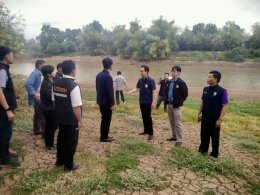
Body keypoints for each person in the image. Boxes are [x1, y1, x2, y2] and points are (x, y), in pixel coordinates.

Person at [53, 60, 83, 171]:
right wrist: (79, 121)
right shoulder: (73, 86)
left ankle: (59, 160)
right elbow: (76, 106)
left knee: (61, 139)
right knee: (71, 141)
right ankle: (69, 165)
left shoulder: (55, 83)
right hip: (71, 120)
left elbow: (54, 100)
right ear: (73, 71)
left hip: (60, 118)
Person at [198, 71, 228, 158]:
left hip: (215, 119)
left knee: (214, 137)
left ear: (215, 79)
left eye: (210, 77)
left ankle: (214, 153)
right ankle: (203, 150)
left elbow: (224, 106)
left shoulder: (222, 91)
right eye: (208, 76)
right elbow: (203, 102)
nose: (208, 78)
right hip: (205, 117)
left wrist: (220, 119)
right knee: (204, 135)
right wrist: (199, 113)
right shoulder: (205, 89)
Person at [0, 46, 19, 167]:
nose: (13, 56)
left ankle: (5, 152)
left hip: (5, 109)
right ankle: (4, 160)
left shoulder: (4, 69)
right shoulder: (2, 70)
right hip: (3, 110)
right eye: (12, 54)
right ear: (6, 56)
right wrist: (7, 110)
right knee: (4, 134)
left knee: (5, 133)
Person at [129, 65, 156, 140]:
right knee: (143, 116)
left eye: (142, 71)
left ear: (146, 72)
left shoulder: (151, 81)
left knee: (148, 117)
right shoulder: (140, 80)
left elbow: (153, 91)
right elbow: (137, 88)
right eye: (140, 71)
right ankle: (146, 130)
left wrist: (153, 102)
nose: (140, 72)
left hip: (148, 102)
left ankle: (151, 133)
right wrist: (132, 91)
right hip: (141, 101)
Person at [165, 66, 188, 147]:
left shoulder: (181, 82)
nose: (172, 73)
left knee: (178, 123)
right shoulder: (170, 82)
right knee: (172, 122)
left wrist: (179, 102)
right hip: (170, 105)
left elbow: (185, 95)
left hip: (177, 106)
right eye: (172, 71)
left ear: (179, 73)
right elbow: (168, 92)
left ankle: (179, 140)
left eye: (174, 71)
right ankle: (174, 136)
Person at [96, 57, 115, 142]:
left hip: (100, 100)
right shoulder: (108, 76)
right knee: (106, 119)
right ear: (110, 66)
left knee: (104, 118)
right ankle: (104, 137)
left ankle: (104, 135)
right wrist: (112, 103)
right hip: (106, 102)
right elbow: (110, 92)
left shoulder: (99, 75)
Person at [25, 59, 45, 136]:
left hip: (39, 97)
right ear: (39, 65)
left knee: (37, 114)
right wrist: (34, 94)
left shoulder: (39, 73)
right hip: (38, 97)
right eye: (43, 65)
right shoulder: (35, 73)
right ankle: (44, 132)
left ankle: (36, 130)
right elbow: (28, 84)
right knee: (41, 115)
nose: (44, 67)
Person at [40, 65, 58, 150]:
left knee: (50, 127)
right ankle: (49, 145)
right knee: (51, 127)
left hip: (48, 108)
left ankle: (50, 143)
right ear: (48, 74)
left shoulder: (49, 81)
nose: (54, 72)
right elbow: (51, 98)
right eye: (53, 71)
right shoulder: (47, 85)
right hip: (49, 109)